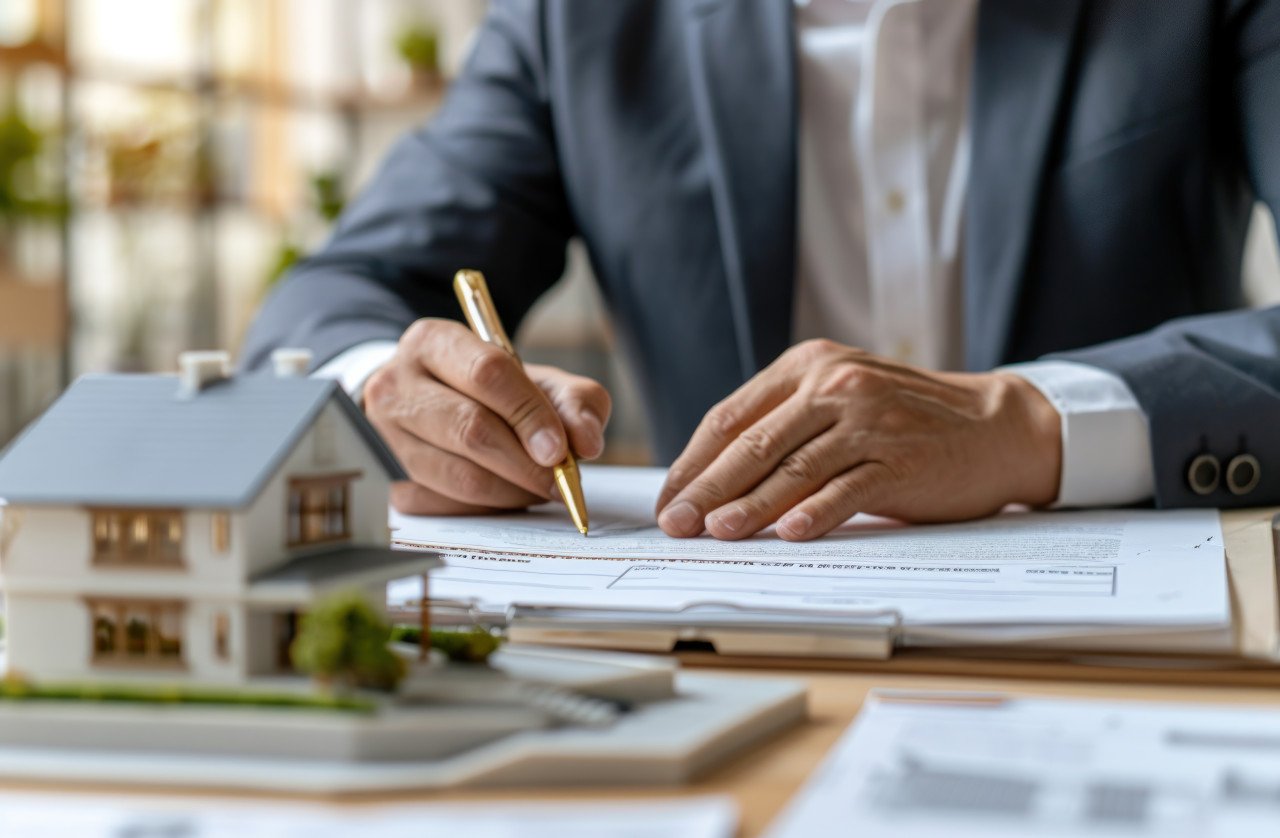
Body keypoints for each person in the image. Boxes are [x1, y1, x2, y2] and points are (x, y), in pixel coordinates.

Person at [242, 0, 1280, 542]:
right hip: (731, 655)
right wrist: (393, 395)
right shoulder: (577, 19)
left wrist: (1026, 423)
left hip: (1128, 649)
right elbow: (332, 299)